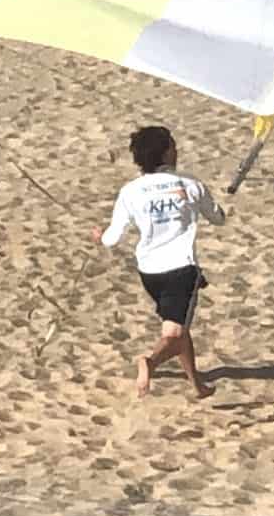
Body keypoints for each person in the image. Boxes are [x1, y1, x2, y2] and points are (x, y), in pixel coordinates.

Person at [93, 125, 225, 399]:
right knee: (174, 333)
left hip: (149, 271)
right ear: (167, 152)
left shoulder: (130, 191)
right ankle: (149, 362)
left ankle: (197, 384)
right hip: (181, 269)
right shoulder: (190, 184)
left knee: (178, 324)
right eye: (174, 145)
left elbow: (112, 238)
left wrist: (99, 236)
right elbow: (218, 218)